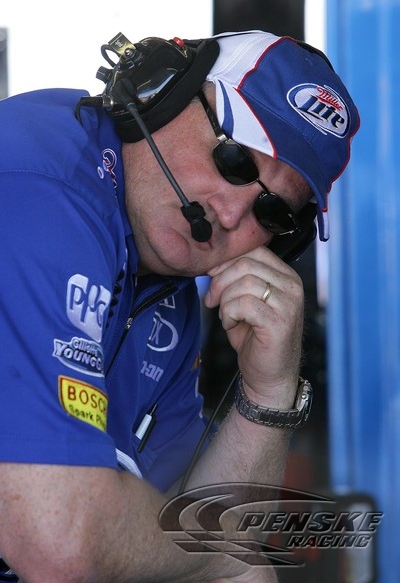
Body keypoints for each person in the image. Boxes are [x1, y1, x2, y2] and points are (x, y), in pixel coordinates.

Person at [0, 29, 359, 582]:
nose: (232, 215)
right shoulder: (40, 186)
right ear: (159, 92)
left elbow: (179, 521)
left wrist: (268, 392)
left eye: (271, 212)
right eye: (235, 160)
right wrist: (222, 550)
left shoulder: (170, 296)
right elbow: (59, 539)